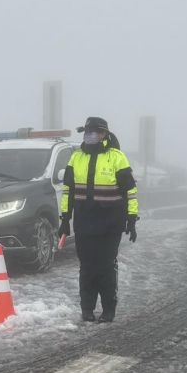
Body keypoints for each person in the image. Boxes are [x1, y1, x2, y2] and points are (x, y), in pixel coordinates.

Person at [59, 116, 139, 323]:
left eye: (95, 131)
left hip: (110, 223)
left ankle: (108, 310)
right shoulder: (76, 157)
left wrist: (131, 218)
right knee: (86, 267)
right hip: (84, 222)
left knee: (105, 266)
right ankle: (87, 309)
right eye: (87, 131)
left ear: (104, 133)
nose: (91, 135)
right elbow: (67, 190)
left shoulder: (117, 157)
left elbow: (130, 190)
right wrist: (64, 219)